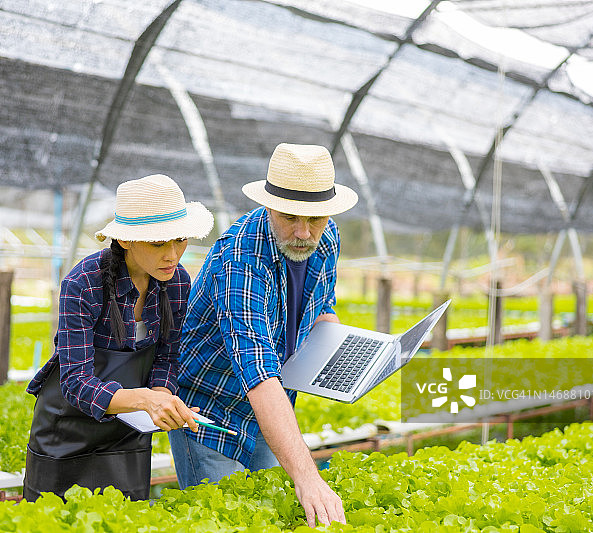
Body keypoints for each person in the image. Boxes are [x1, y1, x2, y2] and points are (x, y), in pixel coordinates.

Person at [168, 143, 358, 527]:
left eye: (315, 218)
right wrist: (308, 478)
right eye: (290, 217)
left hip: (272, 410)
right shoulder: (242, 257)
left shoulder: (327, 238)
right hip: (213, 412)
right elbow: (258, 373)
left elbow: (322, 306)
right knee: (226, 522)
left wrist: (348, 355)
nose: (303, 232)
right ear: (269, 205)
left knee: (271, 516)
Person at [23, 174, 214, 502]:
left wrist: (161, 397)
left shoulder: (177, 282)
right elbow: (76, 383)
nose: (172, 255)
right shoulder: (84, 283)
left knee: (126, 517)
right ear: (126, 240)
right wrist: (145, 401)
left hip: (128, 435)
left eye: (180, 240)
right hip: (66, 433)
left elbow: (167, 357)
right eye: (158, 243)